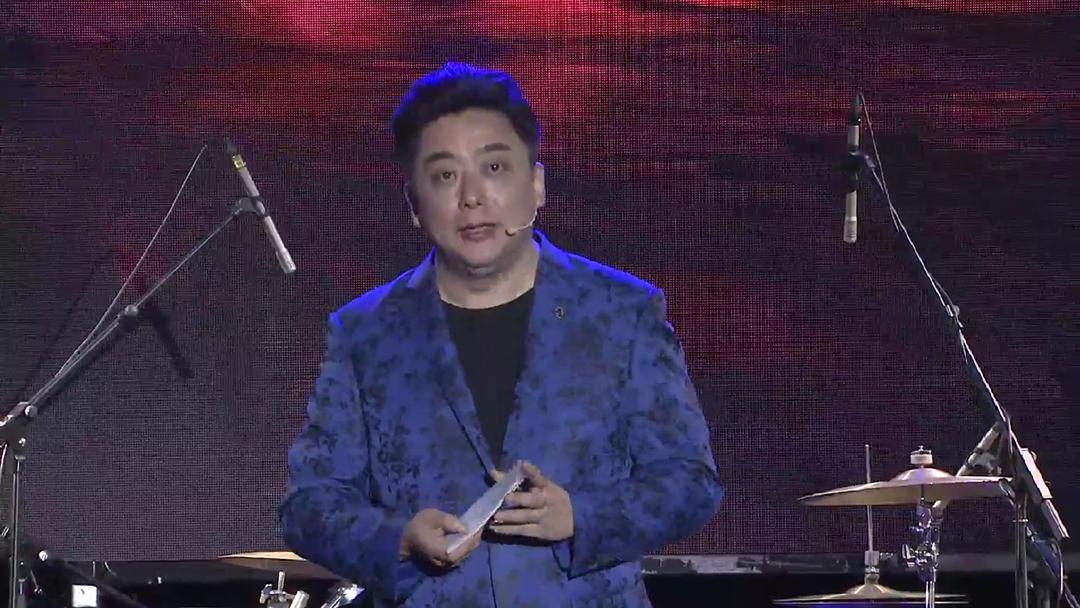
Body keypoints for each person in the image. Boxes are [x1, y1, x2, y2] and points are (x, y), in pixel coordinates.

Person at [279, 62, 724, 607]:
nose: (471, 196)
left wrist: (582, 517)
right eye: (445, 176)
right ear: (414, 204)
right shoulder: (365, 332)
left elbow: (690, 481)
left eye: (494, 167)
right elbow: (309, 505)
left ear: (536, 185)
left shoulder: (622, 312)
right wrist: (398, 538)